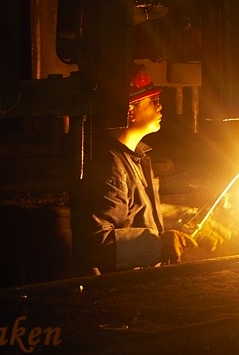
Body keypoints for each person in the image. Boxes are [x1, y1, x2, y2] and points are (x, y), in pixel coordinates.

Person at [70, 62, 198, 276]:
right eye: (153, 101)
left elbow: (134, 212)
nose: (160, 106)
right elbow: (96, 244)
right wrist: (159, 245)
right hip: (119, 290)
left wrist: (185, 215)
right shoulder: (109, 166)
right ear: (130, 111)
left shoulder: (133, 158)